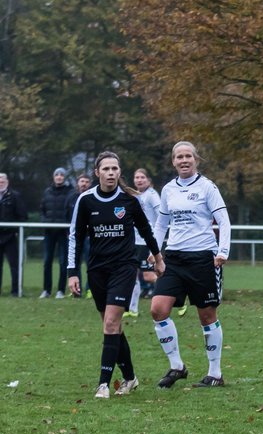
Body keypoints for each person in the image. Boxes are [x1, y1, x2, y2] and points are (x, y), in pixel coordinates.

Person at [67, 152, 166, 399]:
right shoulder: (86, 200)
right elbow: (75, 237)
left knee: (111, 323)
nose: (111, 173)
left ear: (119, 172)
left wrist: (158, 257)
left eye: (115, 169)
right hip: (97, 270)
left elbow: (146, 229)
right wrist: (72, 273)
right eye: (106, 169)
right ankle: (131, 378)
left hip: (124, 268)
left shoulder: (130, 200)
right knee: (113, 326)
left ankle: (103, 384)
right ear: (97, 173)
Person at [149, 141, 232, 388]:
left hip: (202, 258)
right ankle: (177, 367)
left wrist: (223, 251)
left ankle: (215, 373)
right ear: (173, 162)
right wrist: (154, 252)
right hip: (173, 258)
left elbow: (224, 220)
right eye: (178, 157)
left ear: (196, 159)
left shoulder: (207, 187)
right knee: (158, 309)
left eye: (188, 156)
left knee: (207, 316)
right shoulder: (168, 190)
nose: (183, 160)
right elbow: (162, 224)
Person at [126, 168, 163, 316]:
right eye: (136, 177)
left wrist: (154, 237)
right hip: (135, 241)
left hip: (146, 243)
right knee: (132, 275)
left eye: (142, 177)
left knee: (148, 276)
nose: (139, 180)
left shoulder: (152, 196)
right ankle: (133, 309)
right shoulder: (137, 195)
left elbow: (161, 215)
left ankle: (178, 293)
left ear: (149, 180)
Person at [39, 167, 74, 298]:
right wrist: (44, 221)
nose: (59, 177)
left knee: (63, 262)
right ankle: (46, 290)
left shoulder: (70, 192)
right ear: (53, 177)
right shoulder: (47, 192)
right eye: (57, 174)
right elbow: (42, 209)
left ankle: (60, 290)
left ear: (64, 177)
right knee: (47, 261)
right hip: (49, 232)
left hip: (63, 233)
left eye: (61, 175)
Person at [65, 174, 93, 296]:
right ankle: (76, 289)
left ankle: (90, 289)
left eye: (86, 181)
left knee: (90, 263)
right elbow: (66, 215)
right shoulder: (71, 198)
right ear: (78, 183)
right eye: (82, 181)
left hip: (89, 237)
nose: (84, 184)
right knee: (75, 262)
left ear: (90, 184)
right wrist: (68, 232)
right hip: (76, 237)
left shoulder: (93, 198)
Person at [0, 172, 27, 296]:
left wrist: (16, 231)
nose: (1, 182)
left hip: (10, 237)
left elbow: (22, 216)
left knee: (14, 266)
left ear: (7, 182)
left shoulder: (15, 196)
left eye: (3, 180)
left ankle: (16, 291)